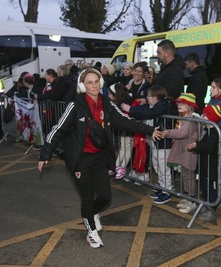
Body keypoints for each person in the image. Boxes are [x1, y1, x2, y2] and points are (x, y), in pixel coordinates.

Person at [37, 68, 162, 249]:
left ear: (101, 83)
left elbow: (125, 121)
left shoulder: (107, 104)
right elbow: (58, 129)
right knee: (87, 198)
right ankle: (91, 232)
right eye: (89, 82)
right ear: (83, 85)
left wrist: (150, 130)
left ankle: (92, 213)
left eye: (96, 82)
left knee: (104, 197)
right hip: (80, 159)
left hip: (99, 157)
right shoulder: (75, 105)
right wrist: (45, 153)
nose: (94, 85)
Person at [122, 85, 174, 204]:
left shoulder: (163, 105)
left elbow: (149, 113)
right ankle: (162, 187)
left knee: (163, 167)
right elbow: (145, 110)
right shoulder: (154, 105)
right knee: (157, 165)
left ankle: (167, 191)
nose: (147, 98)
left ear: (156, 97)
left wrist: (131, 109)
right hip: (156, 142)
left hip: (164, 143)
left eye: (149, 96)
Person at [187, 101, 221, 221]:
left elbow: (210, 146)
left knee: (212, 189)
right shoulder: (208, 129)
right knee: (204, 186)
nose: (202, 117)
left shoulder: (216, 131)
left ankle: (212, 209)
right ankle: (207, 205)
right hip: (205, 166)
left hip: (212, 167)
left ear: (211, 118)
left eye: (204, 116)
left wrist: (197, 145)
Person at [161, 93, 199, 213]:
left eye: (182, 103)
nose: (179, 104)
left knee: (189, 176)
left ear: (190, 106)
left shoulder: (190, 118)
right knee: (185, 175)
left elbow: (183, 133)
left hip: (189, 151)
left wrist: (168, 133)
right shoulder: (183, 116)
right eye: (178, 102)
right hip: (184, 150)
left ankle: (192, 200)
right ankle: (188, 197)